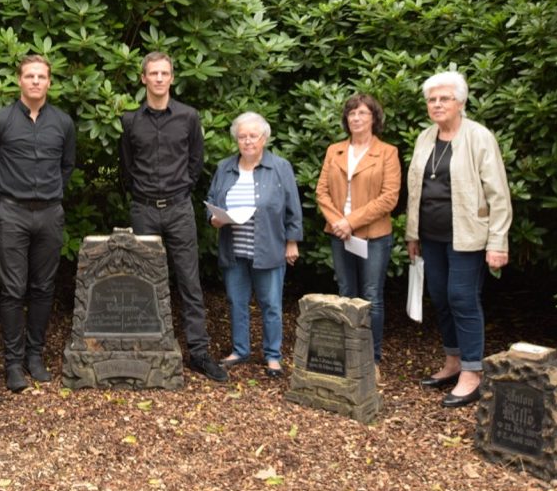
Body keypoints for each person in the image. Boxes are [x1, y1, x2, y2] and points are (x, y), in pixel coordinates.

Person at [120, 52, 229, 383]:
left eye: (164, 73)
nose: (158, 78)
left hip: (179, 208)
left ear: (172, 77)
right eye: (152, 73)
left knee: (189, 281)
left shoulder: (188, 117)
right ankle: (149, 349)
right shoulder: (129, 121)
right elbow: (125, 167)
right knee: (144, 282)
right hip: (143, 209)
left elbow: (196, 161)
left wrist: (181, 189)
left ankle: (198, 353)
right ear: (143, 78)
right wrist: (139, 194)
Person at [405, 71, 512, 408]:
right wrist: (412, 234)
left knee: (462, 298)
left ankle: (472, 372)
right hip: (431, 236)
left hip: (467, 236)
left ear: (461, 102)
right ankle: (452, 362)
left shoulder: (479, 137)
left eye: (444, 98)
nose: (437, 104)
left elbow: (499, 194)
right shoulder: (425, 137)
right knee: (440, 297)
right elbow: (415, 190)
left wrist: (498, 242)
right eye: (432, 99)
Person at [0, 55, 76, 393]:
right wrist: (3, 202)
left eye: (41, 76)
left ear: (49, 82)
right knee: (13, 290)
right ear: (19, 80)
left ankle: (35, 356)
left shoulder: (62, 123)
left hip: (49, 213)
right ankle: (13, 364)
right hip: (12, 212)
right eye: (29, 76)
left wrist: (51, 195)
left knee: (44, 288)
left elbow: (67, 166)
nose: (35, 81)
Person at [206, 112, 303, 378]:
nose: (248, 141)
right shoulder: (224, 167)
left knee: (270, 304)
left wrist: (292, 241)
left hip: (269, 248)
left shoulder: (280, 167)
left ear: (264, 138)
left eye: (253, 136)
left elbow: (292, 206)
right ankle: (240, 350)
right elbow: (212, 199)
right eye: (242, 136)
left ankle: (273, 356)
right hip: (234, 249)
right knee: (236, 302)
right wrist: (213, 218)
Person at [316, 94, 401, 380]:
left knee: (372, 296)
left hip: (374, 236)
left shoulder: (387, 153)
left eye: (363, 113)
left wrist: (351, 221)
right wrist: (339, 224)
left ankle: (371, 360)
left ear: (374, 118)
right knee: (345, 292)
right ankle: (346, 356)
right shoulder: (334, 150)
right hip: (339, 235)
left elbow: (389, 198)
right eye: (352, 113)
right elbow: (322, 192)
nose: (356, 118)